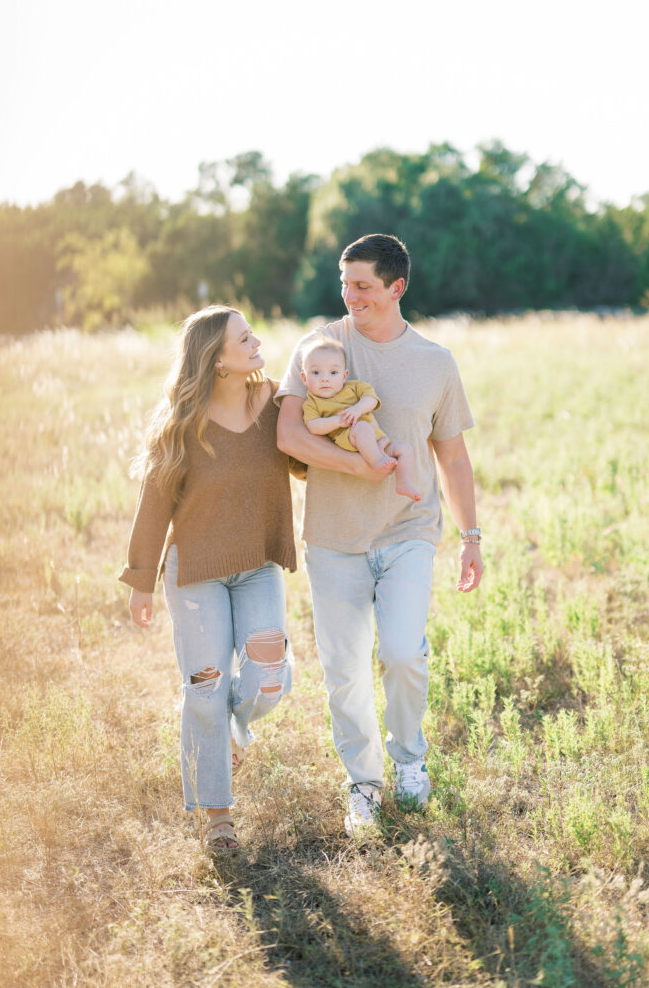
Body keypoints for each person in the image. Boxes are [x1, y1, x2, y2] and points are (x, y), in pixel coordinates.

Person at [276, 234, 483, 836]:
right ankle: (362, 784)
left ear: (397, 288)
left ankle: (410, 760)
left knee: (400, 651)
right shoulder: (320, 346)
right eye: (344, 283)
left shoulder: (435, 362)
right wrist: (358, 466)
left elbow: (454, 458)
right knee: (343, 671)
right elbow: (290, 435)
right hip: (334, 535)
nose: (349, 295)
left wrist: (471, 538)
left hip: (408, 531)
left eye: (362, 285)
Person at [119, 305, 298, 851]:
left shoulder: (275, 403)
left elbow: (311, 453)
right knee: (204, 688)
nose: (257, 342)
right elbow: (154, 505)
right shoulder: (180, 424)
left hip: (257, 566)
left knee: (271, 676)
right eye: (244, 339)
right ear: (218, 360)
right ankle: (217, 816)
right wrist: (142, 579)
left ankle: (236, 727)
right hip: (194, 572)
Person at [300, 336, 421, 501]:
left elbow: (371, 399)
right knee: (362, 428)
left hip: (378, 439)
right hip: (349, 438)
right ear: (304, 378)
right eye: (315, 372)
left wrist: (357, 409)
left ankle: (403, 482)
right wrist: (337, 421)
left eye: (333, 372)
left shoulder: (355, 387)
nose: (325, 378)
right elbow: (313, 426)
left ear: (344, 375)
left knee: (405, 449)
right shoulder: (312, 402)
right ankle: (377, 461)